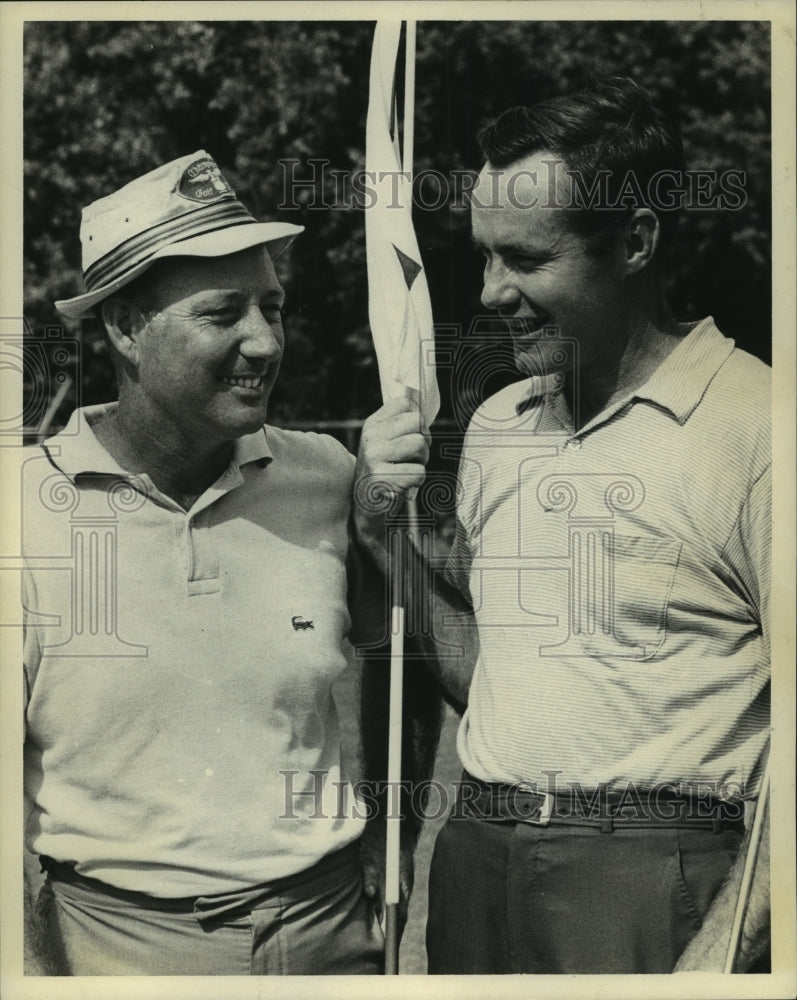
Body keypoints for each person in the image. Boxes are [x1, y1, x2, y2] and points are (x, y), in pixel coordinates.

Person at [353, 76, 771, 974]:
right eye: (483, 258)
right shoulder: (501, 425)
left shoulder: (760, 425)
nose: (493, 292)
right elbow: (487, 675)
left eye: (527, 259)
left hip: (655, 878)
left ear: (633, 241)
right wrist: (379, 536)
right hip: (475, 862)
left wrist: (722, 950)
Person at [21, 150, 425, 976]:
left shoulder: (328, 477)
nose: (264, 341)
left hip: (332, 935)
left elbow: (401, 655)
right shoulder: (20, 511)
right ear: (126, 328)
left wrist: (396, 825)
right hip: (116, 950)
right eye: (223, 313)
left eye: (273, 307)